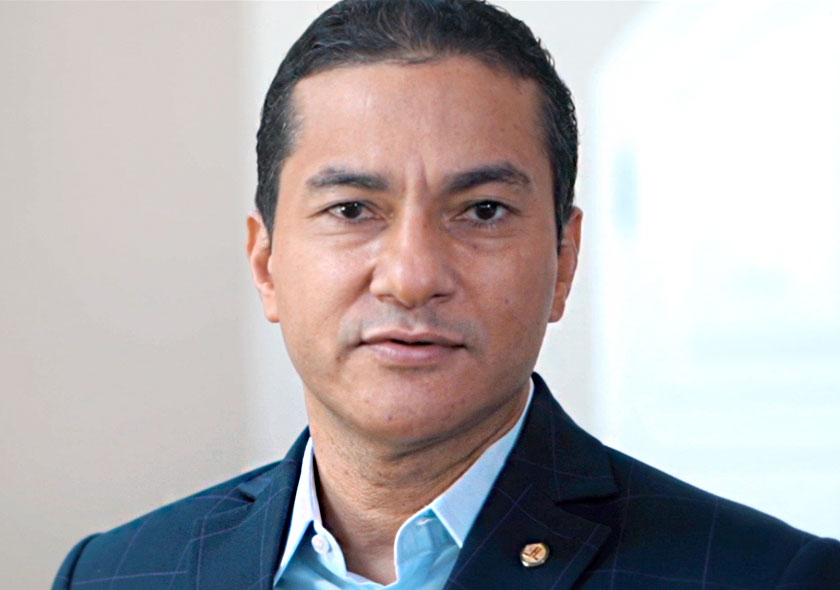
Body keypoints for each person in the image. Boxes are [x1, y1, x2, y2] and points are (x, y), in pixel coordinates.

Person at [53, 1, 840, 588]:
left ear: (564, 259)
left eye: (483, 211)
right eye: (352, 210)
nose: (412, 275)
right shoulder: (115, 574)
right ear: (266, 264)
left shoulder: (766, 577)